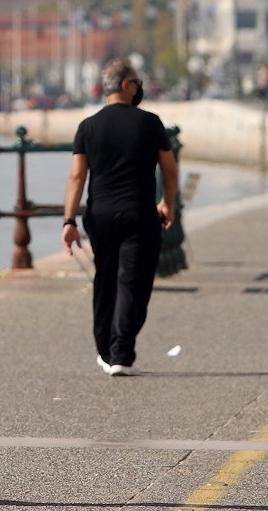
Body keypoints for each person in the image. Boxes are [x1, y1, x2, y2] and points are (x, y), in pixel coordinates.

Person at [61, 57, 177, 377]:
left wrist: (69, 221)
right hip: (139, 214)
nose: (140, 88)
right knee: (133, 283)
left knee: (106, 278)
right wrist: (167, 203)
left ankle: (105, 349)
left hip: (99, 216)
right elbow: (169, 170)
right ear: (127, 86)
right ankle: (121, 352)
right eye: (137, 83)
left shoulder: (88, 126)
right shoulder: (150, 123)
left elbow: (76, 178)